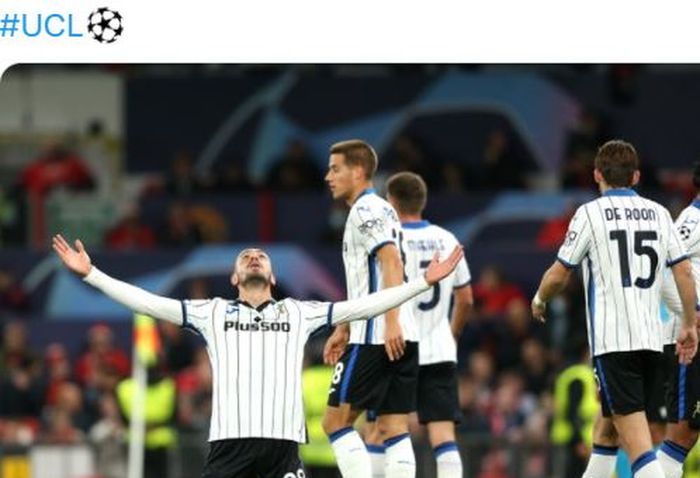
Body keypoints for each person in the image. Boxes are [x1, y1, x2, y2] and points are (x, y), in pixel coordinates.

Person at [51, 234, 463, 478]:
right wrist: (92, 274)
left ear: (272, 276)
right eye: (245, 256)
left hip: (282, 450)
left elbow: (366, 306)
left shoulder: (299, 312)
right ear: (234, 278)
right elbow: (146, 302)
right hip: (228, 448)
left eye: (261, 257)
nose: (253, 257)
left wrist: (423, 281)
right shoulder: (212, 312)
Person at [530, 139, 699, 478]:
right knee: (606, 432)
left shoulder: (589, 214)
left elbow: (559, 273)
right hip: (653, 344)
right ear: (636, 176)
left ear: (596, 175)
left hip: (615, 344)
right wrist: (689, 322)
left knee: (639, 449)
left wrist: (539, 298)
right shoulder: (661, 213)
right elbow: (682, 271)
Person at [322, 140, 419, 478]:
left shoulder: (365, 210)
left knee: (335, 421)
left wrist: (388, 322)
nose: (327, 176)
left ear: (358, 171)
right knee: (394, 426)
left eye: (335, 168)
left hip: (378, 335)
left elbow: (391, 262)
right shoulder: (382, 208)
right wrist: (344, 326)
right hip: (401, 330)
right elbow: (371, 278)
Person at [385, 171, 474, 478]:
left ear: (391, 201)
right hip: (439, 349)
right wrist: (450, 335)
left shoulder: (390, 241)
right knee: (443, 436)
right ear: (421, 201)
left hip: (397, 347)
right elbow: (466, 299)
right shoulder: (447, 239)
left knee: (383, 431)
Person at [657, 161, 700, 478]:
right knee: (683, 433)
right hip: (690, 342)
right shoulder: (692, 220)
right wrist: (692, 313)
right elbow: (663, 268)